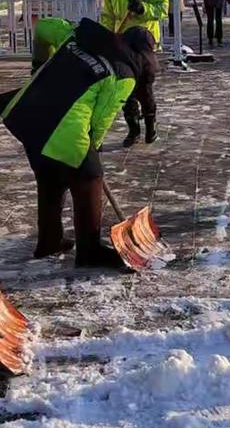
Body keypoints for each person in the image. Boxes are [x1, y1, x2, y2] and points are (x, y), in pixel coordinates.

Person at [0, 19, 157, 268]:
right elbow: (101, 120)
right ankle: (90, 251)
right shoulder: (124, 73)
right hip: (62, 126)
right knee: (90, 178)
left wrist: (39, 64)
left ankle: (49, 241)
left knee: (51, 177)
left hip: (26, 116)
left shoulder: (77, 36)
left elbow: (42, 29)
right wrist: (91, 154)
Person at [101, 0, 169, 147]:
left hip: (143, 46)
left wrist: (143, 9)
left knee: (144, 87)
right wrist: (106, 39)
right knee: (125, 88)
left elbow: (163, 8)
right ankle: (134, 130)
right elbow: (107, 16)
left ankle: (150, 127)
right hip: (121, 44)